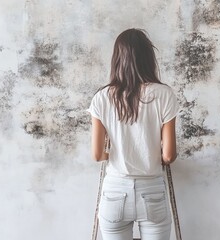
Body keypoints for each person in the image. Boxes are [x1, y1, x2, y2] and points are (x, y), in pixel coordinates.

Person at [87, 28, 180, 240]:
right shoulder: (164, 94)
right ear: (149, 58)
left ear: (117, 59)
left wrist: (118, 154)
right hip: (152, 191)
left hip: (114, 192)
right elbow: (169, 156)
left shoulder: (101, 98)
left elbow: (97, 155)